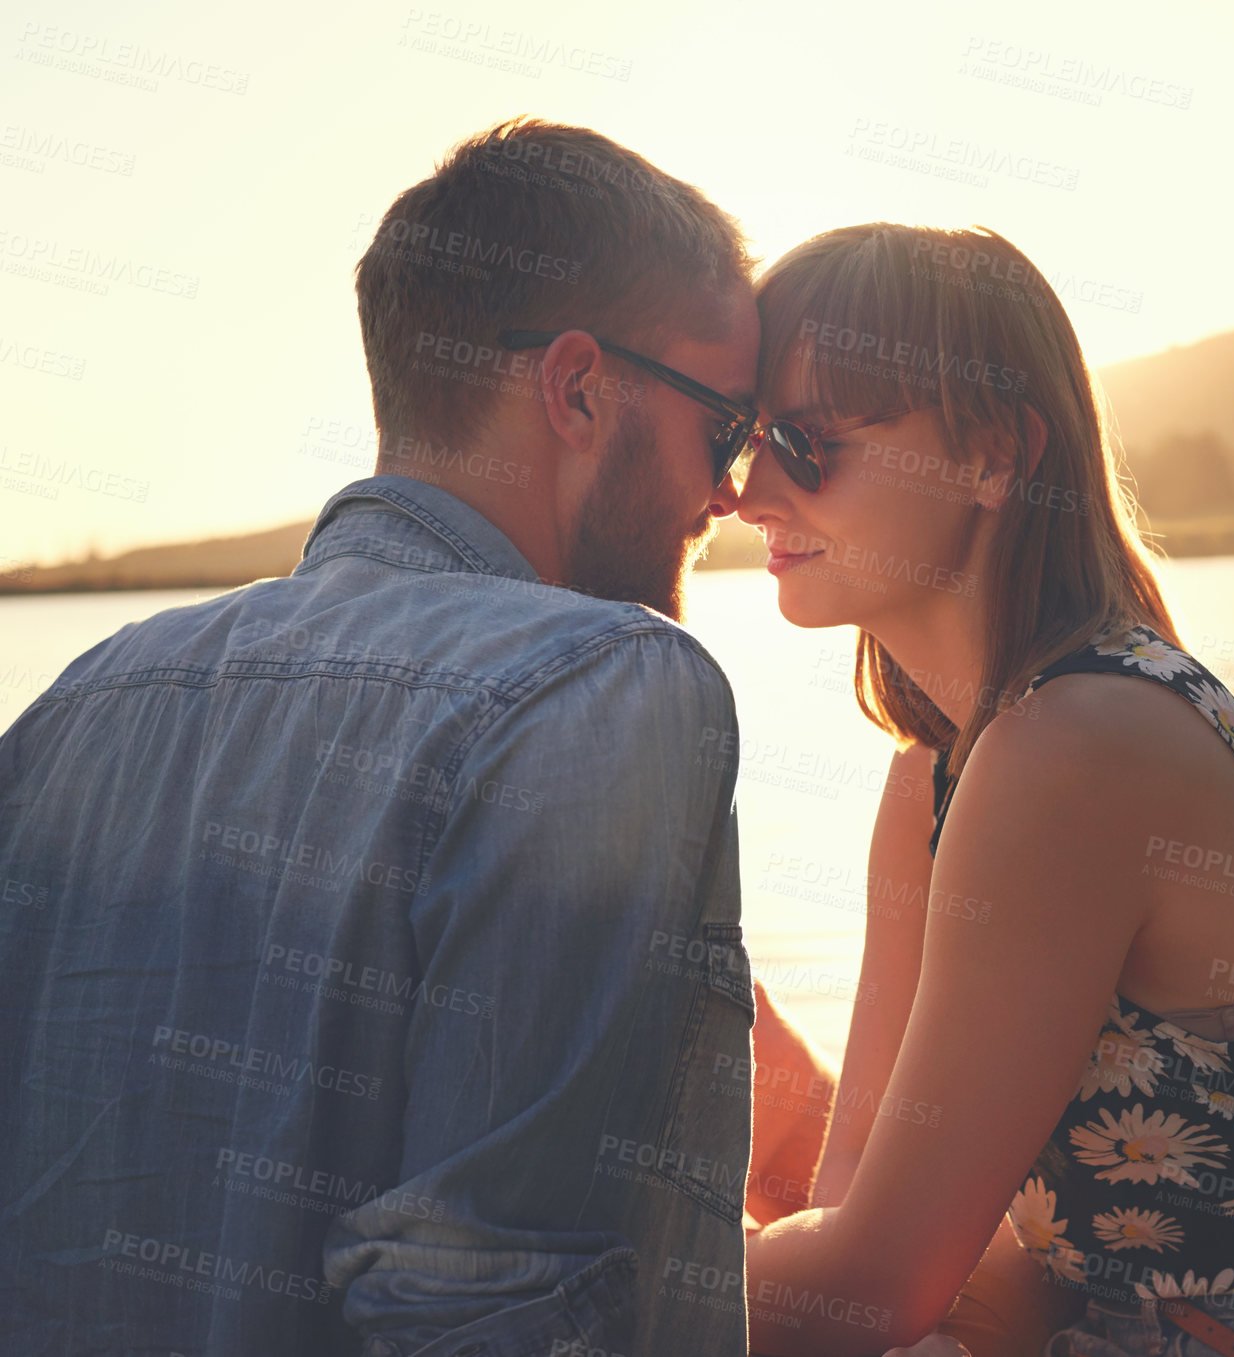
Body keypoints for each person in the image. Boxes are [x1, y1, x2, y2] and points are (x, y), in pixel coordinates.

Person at [0, 117, 763, 1356]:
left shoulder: (72, 708)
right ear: (578, 386)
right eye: (724, 427)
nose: (730, 491)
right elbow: (488, 1312)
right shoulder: (606, 689)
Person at [734, 223, 1234, 1356]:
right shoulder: (936, 773)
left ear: (991, 456)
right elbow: (858, 1203)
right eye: (744, 442)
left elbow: (872, 1278)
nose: (750, 495)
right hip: (1137, 1315)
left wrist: (568, 1274)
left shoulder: (1077, 745)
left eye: (805, 441)